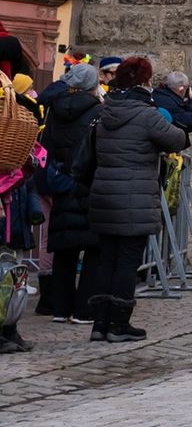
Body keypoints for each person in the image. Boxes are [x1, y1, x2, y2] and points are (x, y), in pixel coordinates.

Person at [73, 57, 186, 342]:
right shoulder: (146, 115)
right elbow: (177, 139)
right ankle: (119, 324)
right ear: (145, 82)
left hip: (104, 195)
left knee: (105, 260)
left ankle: (100, 324)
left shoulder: (104, 110)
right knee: (126, 262)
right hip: (133, 199)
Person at [39, 63, 103, 325]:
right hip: (88, 183)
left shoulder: (55, 110)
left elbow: (48, 145)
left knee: (64, 249)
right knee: (92, 248)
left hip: (62, 181)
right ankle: (83, 310)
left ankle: (60, 308)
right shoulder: (98, 111)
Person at [151, 71, 192, 137]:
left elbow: (181, 110)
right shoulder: (169, 104)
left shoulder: (159, 94)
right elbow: (191, 123)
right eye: (186, 88)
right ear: (181, 89)